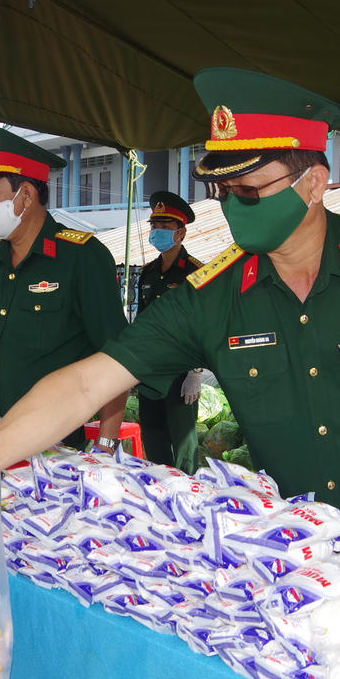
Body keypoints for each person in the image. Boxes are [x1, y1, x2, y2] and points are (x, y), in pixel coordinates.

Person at [0, 69, 340, 554]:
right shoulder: (213, 295)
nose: (230, 207)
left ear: (313, 182)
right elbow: (84, 386)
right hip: (301, 555)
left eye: (248, 191)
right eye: (221, 191)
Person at [0, 126, 130, 451]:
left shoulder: (81, 257)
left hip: (47, 448)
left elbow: (116, 361)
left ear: (27, 196)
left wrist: (105, 445)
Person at [136, 191, 204, 471]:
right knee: (153, 440)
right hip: (151, 369)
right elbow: (141, 322)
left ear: (181, 233)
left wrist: (195, 373)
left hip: (180, 373)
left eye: (165, 228)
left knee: (183, 444)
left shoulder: (195, 273)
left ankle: (189, 497)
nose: (157, 233)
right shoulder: (148, 273)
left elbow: (203, 324)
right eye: (154, 227)